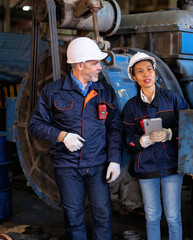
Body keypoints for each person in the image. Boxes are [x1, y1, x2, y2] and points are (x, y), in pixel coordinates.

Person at [29, 37, 123, 240]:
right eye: (95, 63)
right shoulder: (53, 92)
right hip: (67, 166)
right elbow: (35, 125)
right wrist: (62, 136)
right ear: (80, 65)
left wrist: (114, 159)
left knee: (103, 217)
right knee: (74, 218)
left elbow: (115, 127)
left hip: (97, 164)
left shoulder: (104, 91)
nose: (100, 67)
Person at [122, 52, 190, 240]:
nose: (146, 74)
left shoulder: (172, 99)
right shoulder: (131, 107)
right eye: (140, 71)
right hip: (146, 167)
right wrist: (141, 141)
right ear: (134, 77)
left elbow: (189, 127)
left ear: (155, 71)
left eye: (149, 69)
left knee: (173, 216)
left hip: (171, 165)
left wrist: (169, 134)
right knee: (152, 216)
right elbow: (126, 138)